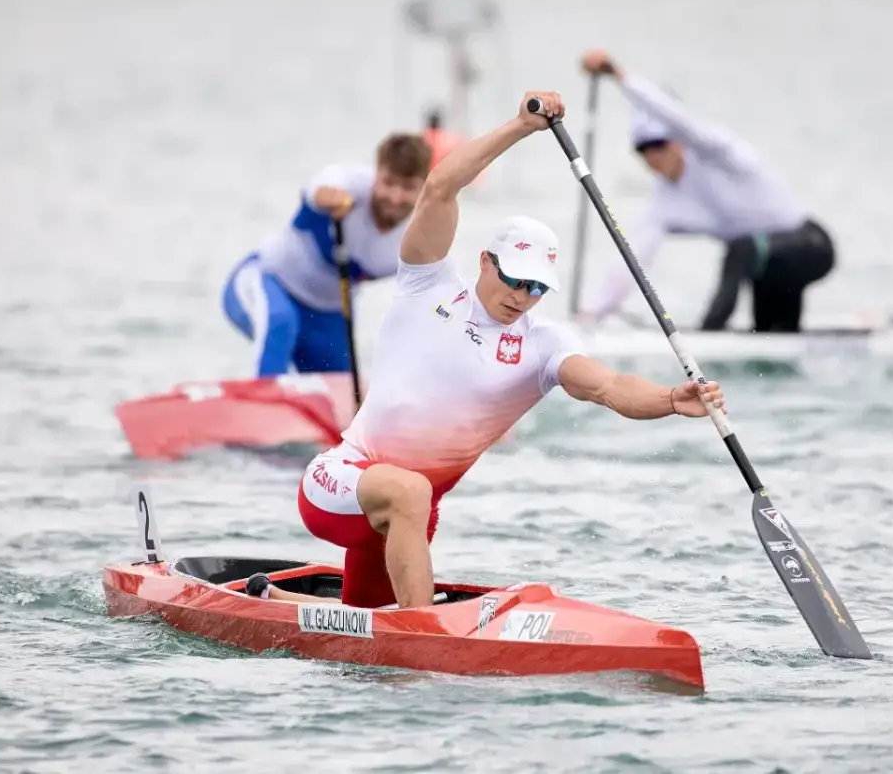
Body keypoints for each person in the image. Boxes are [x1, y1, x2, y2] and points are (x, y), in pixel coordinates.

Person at [241, 89, 727, 610]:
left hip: (406, 516)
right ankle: (423, 638)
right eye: (515, 279)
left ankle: (336, 623)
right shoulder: (426, 284)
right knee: (409, 493)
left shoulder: (544, 345)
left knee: (370, 619)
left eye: (536, 287)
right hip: (338, 483)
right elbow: (440, 188)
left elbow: (609, 387)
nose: (521, 296)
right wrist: (520, 127)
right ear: (485, 262)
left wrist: (670, 400)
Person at [577, 49, 836, 333]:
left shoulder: (715, 151)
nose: (651, 155)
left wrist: (618, 75)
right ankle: (778, 340)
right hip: (770, 268)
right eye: (643, 149)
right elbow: (632, 258)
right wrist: (592, 314)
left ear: (678, 141)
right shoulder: (665, 205)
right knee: (772, 330)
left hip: (811, 246)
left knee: (742, 248)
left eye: (658, 144)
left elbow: (677, 118)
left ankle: (710, 330)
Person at [221, 133, 431, 376]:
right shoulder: (353, 184)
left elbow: (428, 304)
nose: (395, 197)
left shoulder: (420, 238)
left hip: (328, 316)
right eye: (389, 183)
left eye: (407, 188)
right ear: (376, 175)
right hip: (266, 282)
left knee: (342, 387)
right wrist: (330, 198)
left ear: (424, 187)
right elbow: (320, 188)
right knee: (280, 324)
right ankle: (260, 402)